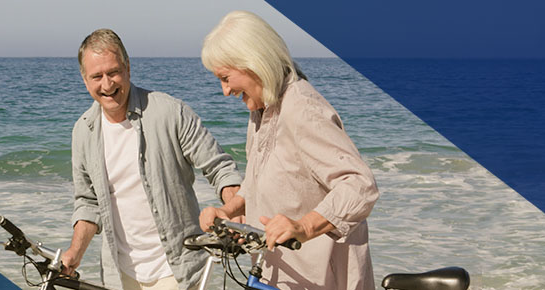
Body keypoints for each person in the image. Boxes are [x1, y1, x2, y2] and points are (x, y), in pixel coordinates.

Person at [197, 11, 380, 290]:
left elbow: (359, 184)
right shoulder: (263, 109)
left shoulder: (301, 107)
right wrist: (229, 210)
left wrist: (304, 227)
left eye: (225, 77)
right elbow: (258, 181)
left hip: (319, 277)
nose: (224, 91)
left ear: (253, 63)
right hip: (277, 273)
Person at [61, 28, 244, 290]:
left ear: (128, 68)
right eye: (97, 76)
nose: (107, 84)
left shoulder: (170, 111)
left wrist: (234, 207)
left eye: (113, 72)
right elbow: (88, 202)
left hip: (176, 269)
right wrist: (75, 253)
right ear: (84, 80)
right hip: (118, 274)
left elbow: (219, 167)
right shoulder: (83, 131)